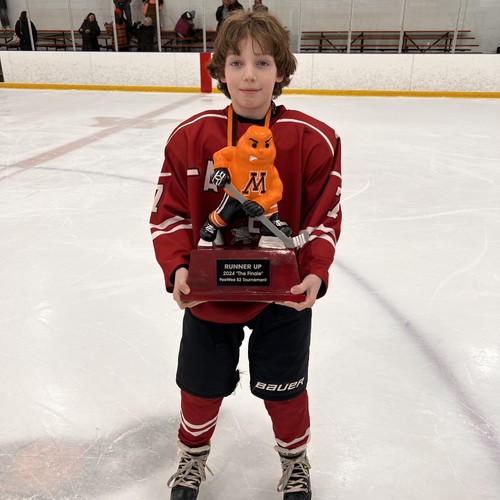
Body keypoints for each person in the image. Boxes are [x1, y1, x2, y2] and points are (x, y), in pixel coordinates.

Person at [150, 10, 342, 500]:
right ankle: (192, 457)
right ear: (220, 70)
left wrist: (315, 273)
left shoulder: (313, 138)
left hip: (283, 292)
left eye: (262, 62)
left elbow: (323, 217)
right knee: (200, 385)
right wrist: (177, 268)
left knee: (286, 387)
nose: (249, 75)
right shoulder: (191, 136)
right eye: (236, 62)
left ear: (281, 69)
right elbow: (171, 213)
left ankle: (294, 462)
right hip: (211, 292)